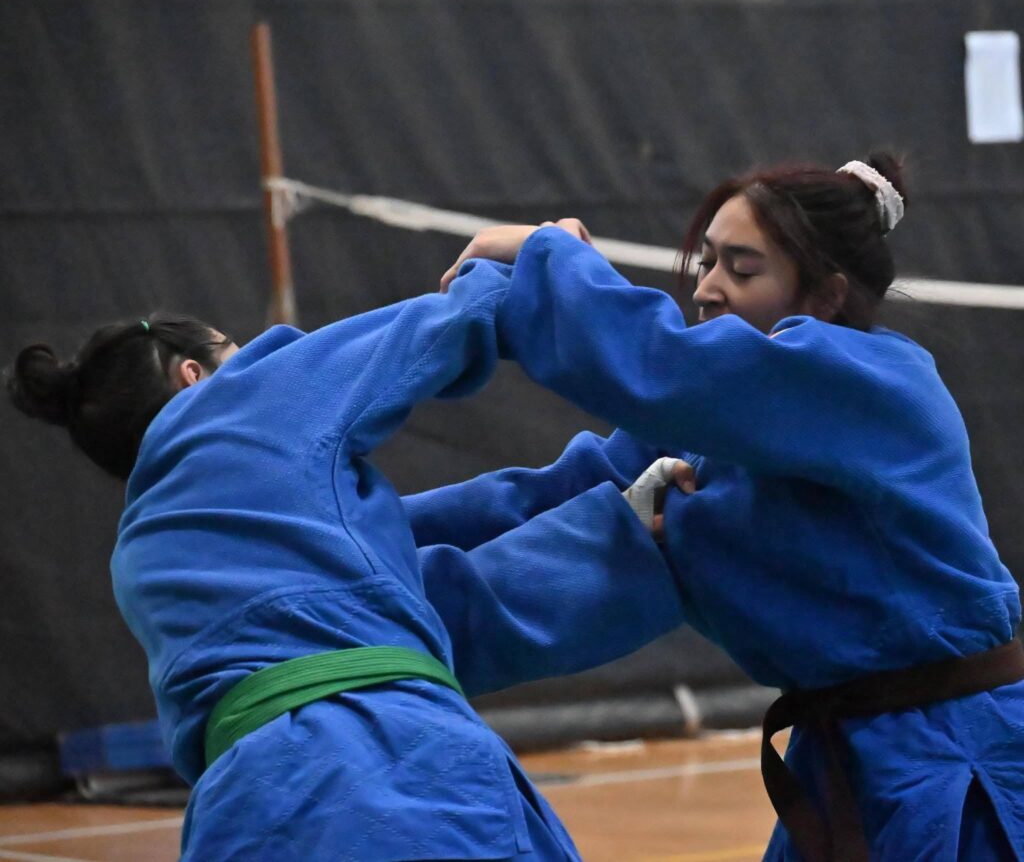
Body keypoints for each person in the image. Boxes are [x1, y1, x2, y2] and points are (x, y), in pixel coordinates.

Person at [433, 152, 1024, 860]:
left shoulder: (870, 380)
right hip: (843, 766)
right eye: (708, 262)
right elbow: (552, 494)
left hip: (953, 763)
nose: (708, 289)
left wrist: (549, 261)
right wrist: (350, 530)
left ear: (826, 297)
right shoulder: (724, 421)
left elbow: (659, 366)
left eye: (742, 270)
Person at [6, 267, 687, 861]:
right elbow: (439, 328)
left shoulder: (150, 554)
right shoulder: (241, 404)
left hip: (243, 811)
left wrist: (618, 497)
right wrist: (533, 266)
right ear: (194, 374)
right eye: (234, 351)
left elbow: (445, 569)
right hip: (395, 771)